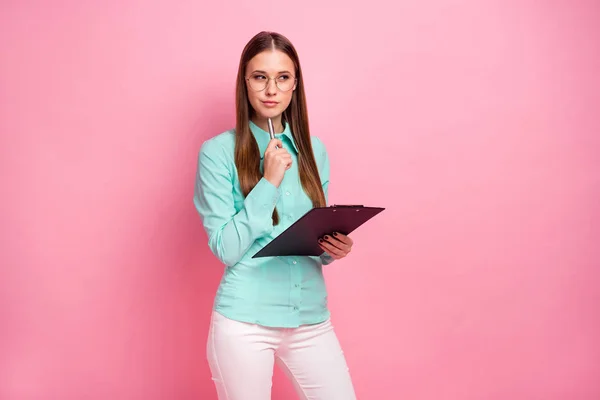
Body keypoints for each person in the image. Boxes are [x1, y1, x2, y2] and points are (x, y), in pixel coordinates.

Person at [193, 31, 357, 400]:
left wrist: (332, 246)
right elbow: (226, 248)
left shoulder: (314, 150)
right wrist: (268, 182)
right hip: (245, 322)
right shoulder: (217, 153)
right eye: (260, 77)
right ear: (245, 82)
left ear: (295, 85)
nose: (271, 89)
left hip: (310, 319)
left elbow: (313, 235)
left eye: (283, 77)